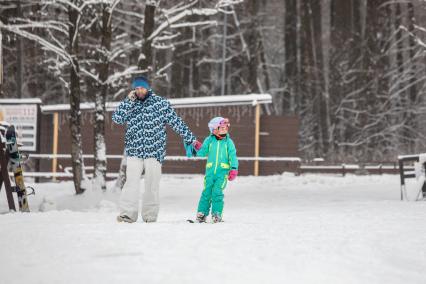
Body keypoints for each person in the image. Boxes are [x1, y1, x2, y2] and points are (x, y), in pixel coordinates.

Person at [112, 76, 202, 223]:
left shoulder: (160, 103)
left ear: (148, 88)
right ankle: (127, 214)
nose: (140, 91)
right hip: (134, 150)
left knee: (152, 184)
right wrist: (128, 101)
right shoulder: (131, 103)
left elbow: (176, 122)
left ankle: (150, 216)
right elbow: (117, 118)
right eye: (137, 88)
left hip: (154, 151)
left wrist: (191, 139)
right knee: (131, 183)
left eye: (142, 88)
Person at [189, 116, 239, 223]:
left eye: (226, 128)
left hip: (222, 174)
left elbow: (233, 156)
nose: (224, 130)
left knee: (217, 192)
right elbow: (202, 152)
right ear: (214, 130)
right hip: (210, 173)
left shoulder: (228, 142)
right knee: (206, 192)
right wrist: (197, 147)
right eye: (222, 128)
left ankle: (217, 214)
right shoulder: (209, 140)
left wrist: (233, 169)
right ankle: (201, 214)